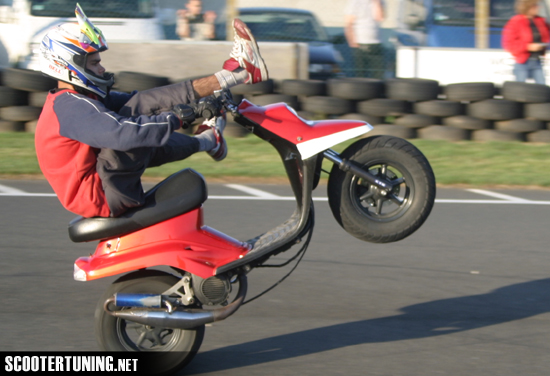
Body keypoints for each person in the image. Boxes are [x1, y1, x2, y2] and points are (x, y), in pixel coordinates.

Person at [34, 4, 268, 218]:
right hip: (104, 196)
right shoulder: (71, 106)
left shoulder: (81, 99)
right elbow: (123, 134)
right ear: (68, 65)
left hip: (109, 185)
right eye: (94, 63)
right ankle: (214, 125)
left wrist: (219, 83)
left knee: (139, 109)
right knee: (134, 133)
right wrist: (180, 117)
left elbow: (144, 102)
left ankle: (229, 91)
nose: (102, 68)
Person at [502, 0, 550, 84]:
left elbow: (546, 35)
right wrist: (528, 47)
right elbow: (509, 44)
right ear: (528, 7)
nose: (538, 8)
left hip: (537, 61)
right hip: (523, 62)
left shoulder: (540, 21)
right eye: (535, 6)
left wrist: (542, 45)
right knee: (521, 88)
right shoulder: (516, 21)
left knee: (543, 88)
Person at [344, 0, 385, 79]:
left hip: (376, 45)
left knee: (378, 75)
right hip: (359, 45)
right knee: (361, 75)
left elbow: (380, 18)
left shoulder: (381, 2)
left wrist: (377, 3)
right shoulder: (355, 2)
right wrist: (352, 41)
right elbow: (348, 23)